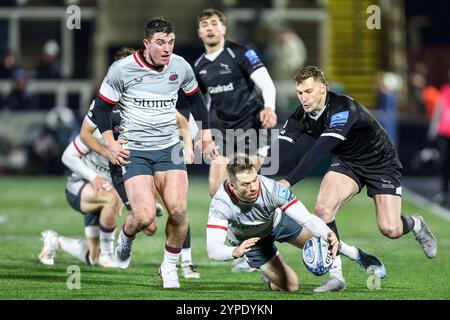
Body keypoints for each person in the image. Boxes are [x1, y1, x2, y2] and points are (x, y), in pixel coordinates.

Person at [276, 66, 437, 291]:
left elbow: (317, 152)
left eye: (309, 91)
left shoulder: (343, 109)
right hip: (348, 161)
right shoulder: (300, 115)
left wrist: (288, 182)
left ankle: (416, 223)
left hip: (381, 162)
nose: (304, 98)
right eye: (300, 92)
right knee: (323, 209)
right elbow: (281, 148)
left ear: (324, 89)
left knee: (390, 229)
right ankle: (336, 276)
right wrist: (255, 171)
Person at [90, 18, 217, 289]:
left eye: (170, 42)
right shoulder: (122, 69)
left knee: (180, 211)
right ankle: (126, 237)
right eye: (160, 42)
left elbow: (195, 98)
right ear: (147, 43)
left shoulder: (180, 66)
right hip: (134, 151)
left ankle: (169, 267)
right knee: (146, 218)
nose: (167, 48)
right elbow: (101, 108)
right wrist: (111, 143)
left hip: (169, 150)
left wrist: (204, 134)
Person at [206, 154, 386, 292]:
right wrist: (235, 252)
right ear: (232, 185)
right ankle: (270, 277)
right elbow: (213, 249)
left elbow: (307, 218)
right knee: (292, 286)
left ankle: (355, 254)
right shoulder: (221, 203)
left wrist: (328, 234)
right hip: (251, 243)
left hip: (277, 223)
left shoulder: (271, 188)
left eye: (254, 180)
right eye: (245, 184)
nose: (253, 187)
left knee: (323, 239)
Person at [194, 8, 277, 198]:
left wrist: (269, 108)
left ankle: (268, 222)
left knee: (245, 189)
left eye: (214, 24)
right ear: (199, 32)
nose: (210, 29)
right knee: (217, 192)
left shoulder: (240, 53)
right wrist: (198, 136)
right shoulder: (199, 66)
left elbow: (267, 84)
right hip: (225, 132)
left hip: (253, 128)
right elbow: (199, 104)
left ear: (223, 28)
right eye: (204, 25)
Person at [39, 131, 122, 268]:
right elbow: (67, 156)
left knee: (93, 257)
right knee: (112, 198)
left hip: (103, 198)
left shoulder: (137, 136)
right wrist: (93, 177)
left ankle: (53, 241)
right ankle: (107, 254)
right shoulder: (97, 130)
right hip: (80, 186)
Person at [428, 71, 450, 205]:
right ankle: (444, 192)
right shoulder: (445, 90)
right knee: (444, 163)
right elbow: (438, 111)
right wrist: (433, 131)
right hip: (445, 132)